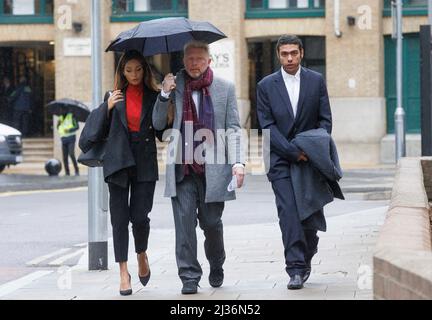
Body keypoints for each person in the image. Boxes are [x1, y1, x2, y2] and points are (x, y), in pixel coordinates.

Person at [153, 41, 245, 295]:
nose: (194, 63)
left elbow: (234, 129)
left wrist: (238, 162)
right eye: (190, 58)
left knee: (212, 224)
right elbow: (158, 125)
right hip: (182, 168)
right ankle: (189, 277)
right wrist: (163, 95)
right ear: (183, 60)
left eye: (199, 59)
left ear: (209, 61)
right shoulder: (173, 85)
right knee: (184, 227)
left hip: (213, 169)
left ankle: (217, 263)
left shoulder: (224, 88)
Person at [79, 50, 163, 296]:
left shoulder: (154, 96)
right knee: (119, 220)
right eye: (128, 70)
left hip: (145, 161)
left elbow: (161, 130)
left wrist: (167, 99)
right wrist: (107, 107)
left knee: (139, 216)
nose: (134, 75)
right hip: (117, 162)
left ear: (144, 70)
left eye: (138, 69)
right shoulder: (113, 96)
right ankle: (123, 272)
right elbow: (92, 134)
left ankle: (141, 253)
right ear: (121, 72)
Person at [256, 35, 333, 290]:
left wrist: (311, 148)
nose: (289, 58)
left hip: (310, 160)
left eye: (293, 53)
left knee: (309, 214)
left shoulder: (316, 81)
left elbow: (325, 121)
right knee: (288, 212)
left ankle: (308, 251)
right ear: (278, 55)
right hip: (280, 159)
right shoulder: (266, 85)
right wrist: (291, 151)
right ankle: (295, 268)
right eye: (284, 54)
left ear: (301, 53)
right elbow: (266, 125)